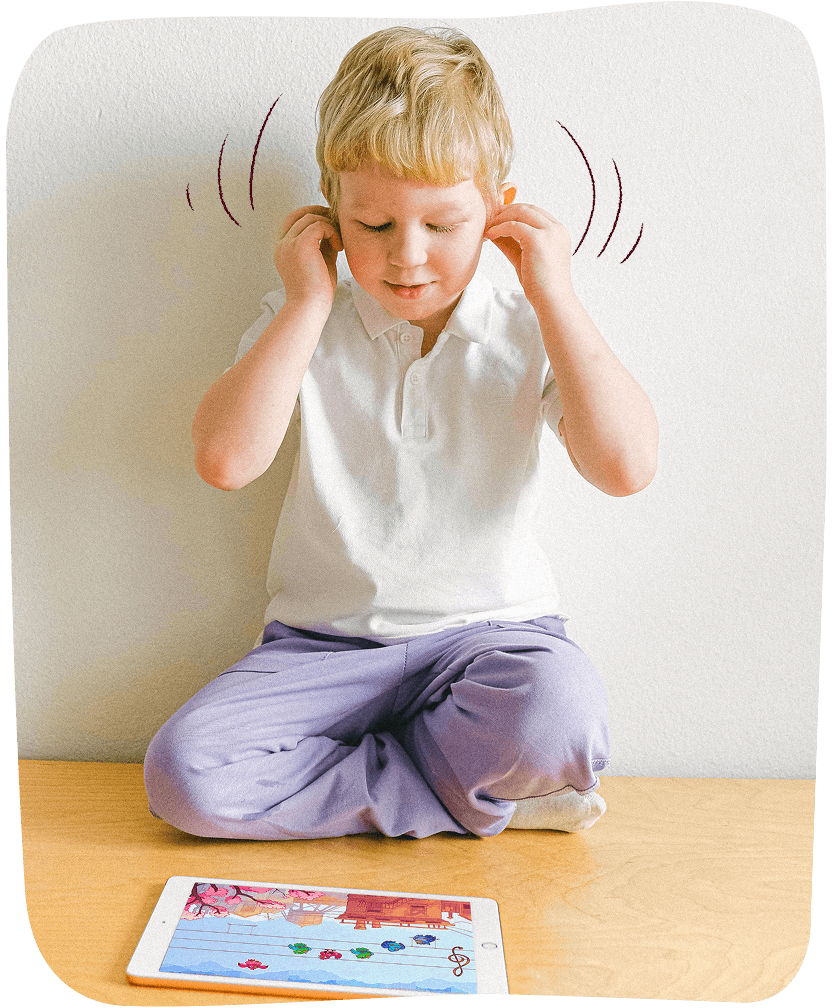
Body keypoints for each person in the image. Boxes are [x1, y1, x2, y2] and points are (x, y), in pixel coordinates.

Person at [144, 26, 658, 841]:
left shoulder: (529, 328)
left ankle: (437, 781)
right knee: (184, 775)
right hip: (322, 651)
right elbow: (225, 461)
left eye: (441, 225)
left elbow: (626, 467)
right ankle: (471, 797)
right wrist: (308, 301)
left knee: (564, 716)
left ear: (498, 213)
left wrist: (555, 293)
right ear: (330, 216)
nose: (406, 257)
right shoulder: (307, 319)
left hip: (493, 646)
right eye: (373, 225)